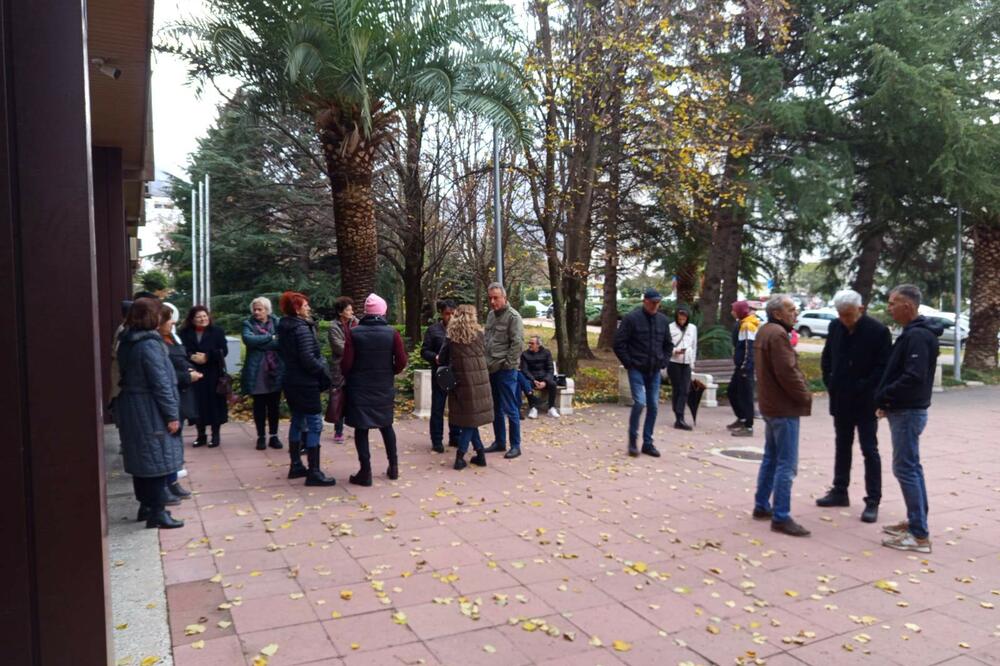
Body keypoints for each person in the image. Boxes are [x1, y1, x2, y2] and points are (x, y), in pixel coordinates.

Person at [875, 284, 942, 554]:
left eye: (893, 303)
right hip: (905, 409)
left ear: (908, 306)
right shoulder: (914, 334)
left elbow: (913, 376)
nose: (889, 307)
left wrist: (885, 397)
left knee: (905, 468)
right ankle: (917, 521)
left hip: (907, 411)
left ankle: (919, 534)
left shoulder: (917, 337)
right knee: (911, 466)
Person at [816, 289, 892, 523]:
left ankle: (873, 500)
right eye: (840, 315)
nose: (844, 320)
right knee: (842, 444)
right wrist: (830, 381)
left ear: (860, 309)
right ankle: (840, 491)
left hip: (865, 400)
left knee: (869, 449)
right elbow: (828, 357)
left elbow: (883, 367)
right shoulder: (835, 327)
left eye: (848, 315)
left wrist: (865, 387)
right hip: (841, 398)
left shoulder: (878, 331)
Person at [113, 297, 185, 529]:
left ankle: (145, 506)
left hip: (134, 406)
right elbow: (160, 383)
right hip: (149, 407)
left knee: (143, 459)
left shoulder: (127, 340)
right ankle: (157, 511)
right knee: (156, 458)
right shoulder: (149, 344)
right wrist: (172, 415)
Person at [753, 294, 812, 537]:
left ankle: (761, 505)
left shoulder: (765, 331)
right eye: (791, 309)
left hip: (770, 405)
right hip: (783, 407)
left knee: (772, 458)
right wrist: (805, 396)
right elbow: (787, 371)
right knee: (786, 464)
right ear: (777, 313)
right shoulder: (777, 334)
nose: (795, 314)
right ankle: (781, 515)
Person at [342, 293, 408, 486]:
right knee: (386, 426)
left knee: (361, 429)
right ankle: (393, 467)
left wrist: (352, 376)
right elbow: (402, 361)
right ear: (383, 312)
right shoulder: (392, 333)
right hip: (383, 386)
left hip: (359, 388)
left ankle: (365, 472)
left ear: (366, 312)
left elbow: (346, 363)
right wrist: (390, 372)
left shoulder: (354, 332)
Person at [277, 291, 337, 486]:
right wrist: (322, 370)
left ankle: (296, 465)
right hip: (305, 382)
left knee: (297, 420)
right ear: (296, 308)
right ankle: (314, 471)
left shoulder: (284, 327)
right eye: (305, 305)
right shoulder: (300, 329)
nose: (308, 308)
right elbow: (307, 358)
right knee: (314, 424)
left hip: (291, 380)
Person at [613, 288, 674, 457]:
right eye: (653, 302)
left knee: (653, 406)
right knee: (640, 403)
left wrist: (664, 361)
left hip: (654, 370)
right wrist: (629, 363)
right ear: (645, 301)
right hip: (637, 369)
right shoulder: (632, 319)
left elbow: (668, 345)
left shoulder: (663, 321)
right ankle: (633, 441)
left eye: (658, 302)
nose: (656, 305)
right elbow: (618, 343)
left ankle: (648, 443)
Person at [437, 305, 493, 470]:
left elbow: (442, 359)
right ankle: (480, 454)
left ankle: (460, 456)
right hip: (480, 382)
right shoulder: (480, 335)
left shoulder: (451, 338)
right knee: (471, 419)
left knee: (468, 420)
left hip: (462, 384)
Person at [158, 303, 200, 501]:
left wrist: (189, 369)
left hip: (180, 392)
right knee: (167, 440)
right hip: (172, 393)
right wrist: (186, 376)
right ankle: (165, 483)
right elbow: (162, 373)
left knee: (176, 439)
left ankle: (173, 480)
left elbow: (180, 360)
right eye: (168, 318)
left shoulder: (171, 337)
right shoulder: (156, 342)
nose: (173, 321)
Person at [482, 283, 525, 459]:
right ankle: (500, 442)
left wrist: (508, 364)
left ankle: (515, 445)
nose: (493, 301)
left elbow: (517, 343)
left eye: (496, 298)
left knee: (510, 407)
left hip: (506, 370)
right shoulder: (491, 315)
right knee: (496, 408)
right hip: (491, 368)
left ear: (504, 298)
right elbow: (487, 340)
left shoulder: (514, 317)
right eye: (490, 298)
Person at [179, 306, 229, 448]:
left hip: (213, 373)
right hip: (195, 373)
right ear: (192, 319)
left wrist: (208, 356)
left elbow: (223, 351)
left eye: (204, 316)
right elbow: (182, 350)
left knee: (214, 405)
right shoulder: (185, 333)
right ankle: (201, 435)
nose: (202, 319)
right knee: (197, 404)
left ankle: (215, 435)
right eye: (199, 317)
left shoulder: (217, 331)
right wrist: (192, 357)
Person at [241, 297, 285, 451]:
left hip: (275, 369)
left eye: (260, 309)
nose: (256, 312)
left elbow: (281, 343)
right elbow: (248, 340)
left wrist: (260, 343)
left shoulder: (277, 323)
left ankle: (274, 436)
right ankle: (261, 436)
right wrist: (270, 338)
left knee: (274, 405)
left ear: (267, 310)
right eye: (255, 309)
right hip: (257, 370)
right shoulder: (248, 324)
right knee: (259, 405)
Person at [421, 299, 460, 452]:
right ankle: (436, 440)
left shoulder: (460, 329)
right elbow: (424, 351)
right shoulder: (433, 330)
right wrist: (435, 357)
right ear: (441, 314)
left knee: (456, 407)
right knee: (438, 407)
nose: (449, 317)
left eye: (452, 314)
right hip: (440, 373)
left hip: (456, 373)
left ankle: (455, 436)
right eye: (446, 314)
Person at [327, 296, 357, 444]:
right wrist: (354, 347)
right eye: (348, 309)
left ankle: (357, 426)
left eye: (351, 308)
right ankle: (338, 431)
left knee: (354, 397)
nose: (351, 311)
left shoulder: (356, 323)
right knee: (338, 398)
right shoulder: (333, 327)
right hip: (339, 368)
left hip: (355, 367)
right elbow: (340, 347)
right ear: (340, 312)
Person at [728, 300, 759, 437]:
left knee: (746, 396)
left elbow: (749, 348)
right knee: (732, 392)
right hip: (740, 366)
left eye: (734, 309)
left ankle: (748, 426)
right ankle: (741, 418)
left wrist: (746, 367)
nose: (732, 312)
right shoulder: (742, 323)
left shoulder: (747, 325)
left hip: (745, 367)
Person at [667, 304, 697, 430]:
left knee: (685, 390)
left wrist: (692, 362)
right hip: (674, 362)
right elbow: (666, 346)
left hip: (687, 363)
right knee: (677, 389)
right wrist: (675, 351)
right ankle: (678, 417)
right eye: (680, 318)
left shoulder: (692, 328)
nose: (682, 320)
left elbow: (694, 345)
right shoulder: (670, 328)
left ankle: (680, 416)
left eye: (684, 318)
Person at [519, 335, 559, 419]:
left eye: (532, 343)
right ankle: (533, 408)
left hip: (544, 378)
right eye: (529, 343)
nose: (529, 344)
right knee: (526, 385)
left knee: (552, 384)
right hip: (532, 378)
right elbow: (524, 370)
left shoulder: (546, 353)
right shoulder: (525, 354)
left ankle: (551, 408)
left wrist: (545, 381)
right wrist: (533, 380)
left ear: (538, 345)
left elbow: (550, 369)